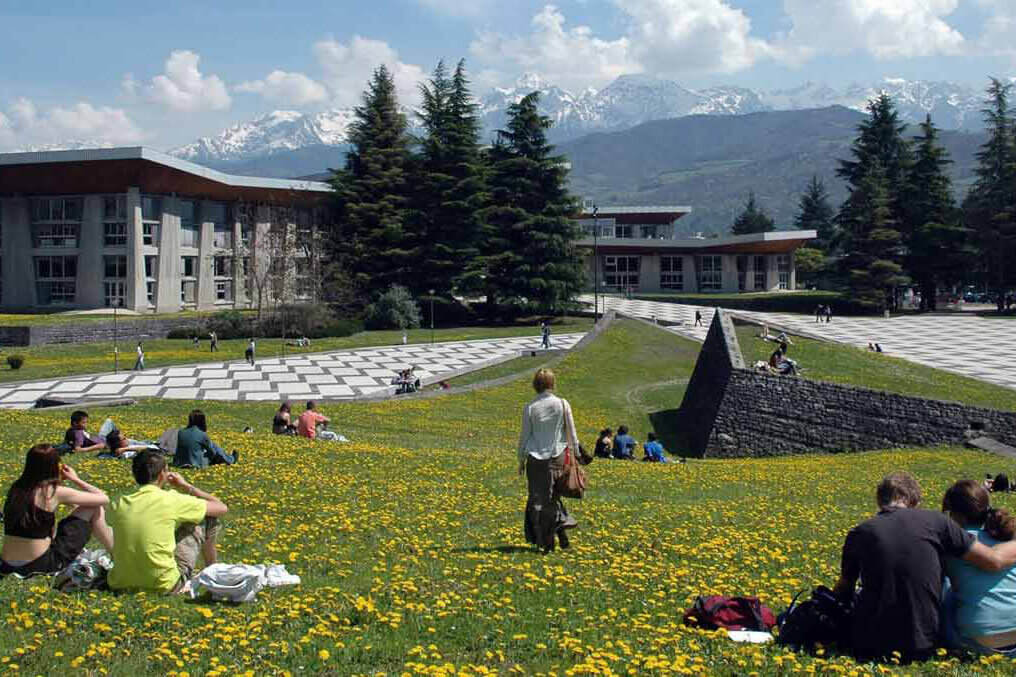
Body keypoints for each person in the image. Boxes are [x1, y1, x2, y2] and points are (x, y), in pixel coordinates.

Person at [833, 472, 1016, 663]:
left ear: (879, 500)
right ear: (914, 500)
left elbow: (843, 591)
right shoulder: (943, 524)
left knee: (944, 583)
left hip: (874, 643)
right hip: (930, 642)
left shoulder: (859, 532)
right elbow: (993, 560)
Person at [107, 450, 228, 594]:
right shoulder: (171, 499)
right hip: (164, 584)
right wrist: (186, 486)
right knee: (208, 517)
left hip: (120, 583)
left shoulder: (118, 503)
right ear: (163, 473)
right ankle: (213, 573)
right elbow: (221, 507)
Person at [1, 445, 113, 578]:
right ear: (55, 466)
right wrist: (75, 479)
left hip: (6, 565)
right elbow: (104, 499)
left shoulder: (17, 489)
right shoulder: (53, 492)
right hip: (40, 565)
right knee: (95, 507)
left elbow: (70, 504)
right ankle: (117, 554)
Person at [941, 479, 1016, 654]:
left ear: (956, 515)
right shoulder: (1004, 538)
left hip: (978, 643)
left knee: (945, 584)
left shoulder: (952, 545)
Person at [517, 368, 580, 553]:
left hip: (535, 458)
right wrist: (575, 452)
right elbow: (572, 431)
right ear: (552, 383)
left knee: (540, 500)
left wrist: (520, 459)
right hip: (558, 455)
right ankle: (560, 534)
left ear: (535, 384)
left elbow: (525, 436)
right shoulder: (562, 403)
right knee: (553, 498)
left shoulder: (530, 407)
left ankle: (548, 541)